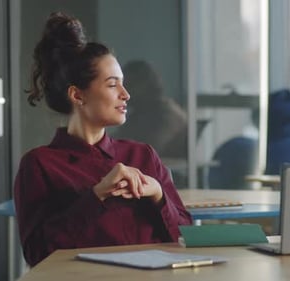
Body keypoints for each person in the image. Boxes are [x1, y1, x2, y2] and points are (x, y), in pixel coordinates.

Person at [14, 12, 192, 267]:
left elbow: (186, 236)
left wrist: (158, 194)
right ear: (77, 95)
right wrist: (96, 195)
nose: (126, 94)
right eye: (112, 85)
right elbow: (38, 255)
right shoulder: (39, 165)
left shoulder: (143, 156)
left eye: (124, 84)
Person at [114, 60, 188, 159]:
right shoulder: (140, 113)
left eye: (130, 85)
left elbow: (147, 151)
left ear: (145, 84)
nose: (125, 92)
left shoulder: (168, 115)